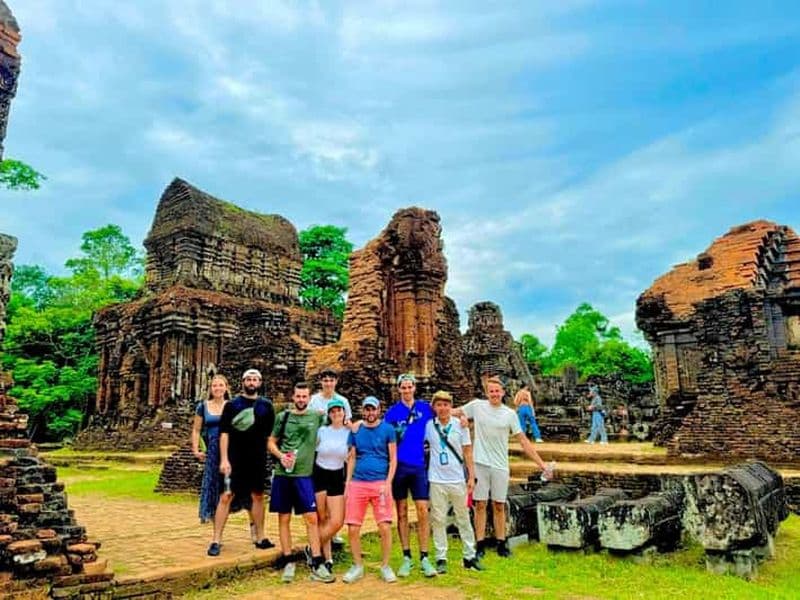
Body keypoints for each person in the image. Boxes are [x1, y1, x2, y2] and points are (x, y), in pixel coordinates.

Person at [455, 376, 551, 558]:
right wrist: (459, 417)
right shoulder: (477, 406)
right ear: (486, 393)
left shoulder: (510, 414)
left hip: (500, 465)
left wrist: (541, 464)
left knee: (499, 504)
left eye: (497, 391)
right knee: (480, 504)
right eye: (491, 391)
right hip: (480, 463)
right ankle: (480, 543)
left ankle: (501, 542)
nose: (494, 394)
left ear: (503, 393)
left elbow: (523, 440)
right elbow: (451, 412)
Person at [268, 382, 334, 583]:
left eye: (304, 397)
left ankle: (316, 560)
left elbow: (338, 423)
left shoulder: (317, 416)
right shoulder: (283, 417)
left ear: (309, 398)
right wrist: (281, 456)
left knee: (311, 518)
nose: (301, 400)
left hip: (304, 475)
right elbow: (271, 442)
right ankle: (288, 559)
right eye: (298, 396)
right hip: (284, 474)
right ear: (293, 397)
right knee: (284, 518)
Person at [208, 369, 275, 557]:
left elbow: (270, 436)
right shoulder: (232, 405)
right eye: (248, 379)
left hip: (257, 459)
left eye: (255, 379)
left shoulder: (266, 406)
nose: (252, 382)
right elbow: (224, 434)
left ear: (260, 383)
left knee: (258, 496)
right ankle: (216, 539)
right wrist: (224, 459)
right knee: (226, 495)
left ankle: (260, 537)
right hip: (234, 459)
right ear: (243, 382)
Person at [383, 373, 436, 578]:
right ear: (399, 389)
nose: (406, 390)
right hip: (399, 467)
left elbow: (444, 413)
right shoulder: (392, 413)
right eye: (403, 387)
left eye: (409, 387)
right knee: (402, 511)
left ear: (414, 388)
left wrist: (463, 418)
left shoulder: (425, 408)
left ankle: (424, 556)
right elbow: (384, 435)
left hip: (419, 465)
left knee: (422, 510)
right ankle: (407, 556)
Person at [424, 390, 482, 574]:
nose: (442, 408)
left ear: (451, 406)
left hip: (457, 478)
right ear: (434, 407)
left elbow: (467, 452)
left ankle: (469, 555)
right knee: (438, 519)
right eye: (439, 405)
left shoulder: (460, 425)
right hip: (436, 479)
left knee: (463, 518)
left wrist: (471, 476)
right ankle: (441, 557)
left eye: (446, 405)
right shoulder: (429, 426)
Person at [342, 396, 398, 584]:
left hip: (380, 483)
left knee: (384, 526)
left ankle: (385, 565)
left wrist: (388, 482)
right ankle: (357, 565)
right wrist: (348, 483)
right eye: (367, 409)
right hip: (358, 482)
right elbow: (352, 457)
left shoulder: (388, 429)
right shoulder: (356, 430)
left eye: (373, 409)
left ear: (379, 410)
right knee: (353, 527)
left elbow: (393, 458)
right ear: (362, 410)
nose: (370, 413)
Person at [313, 398, 349, 573]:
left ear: (344, 412)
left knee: (337, 521)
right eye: (333, 411)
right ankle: (326, 558)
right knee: (323, 517)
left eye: (339, 411)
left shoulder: (349, 432)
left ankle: (312, 546)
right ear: (329, 414)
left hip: (337, 475)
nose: (336, 414)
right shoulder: (322, 431)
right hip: (320, 473)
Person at [192, 374, 230, 524]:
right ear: (210, 388)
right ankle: (209, 512)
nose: (217, 388)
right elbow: (196, 430)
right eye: (214, 385)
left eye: (221, 385)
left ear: (226, 388)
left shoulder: (232, 406)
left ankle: (225, 512)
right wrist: (196, 449)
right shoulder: (203, 406)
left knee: (227, 484)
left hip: (229, 449)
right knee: (211, 481)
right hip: (212, 448)